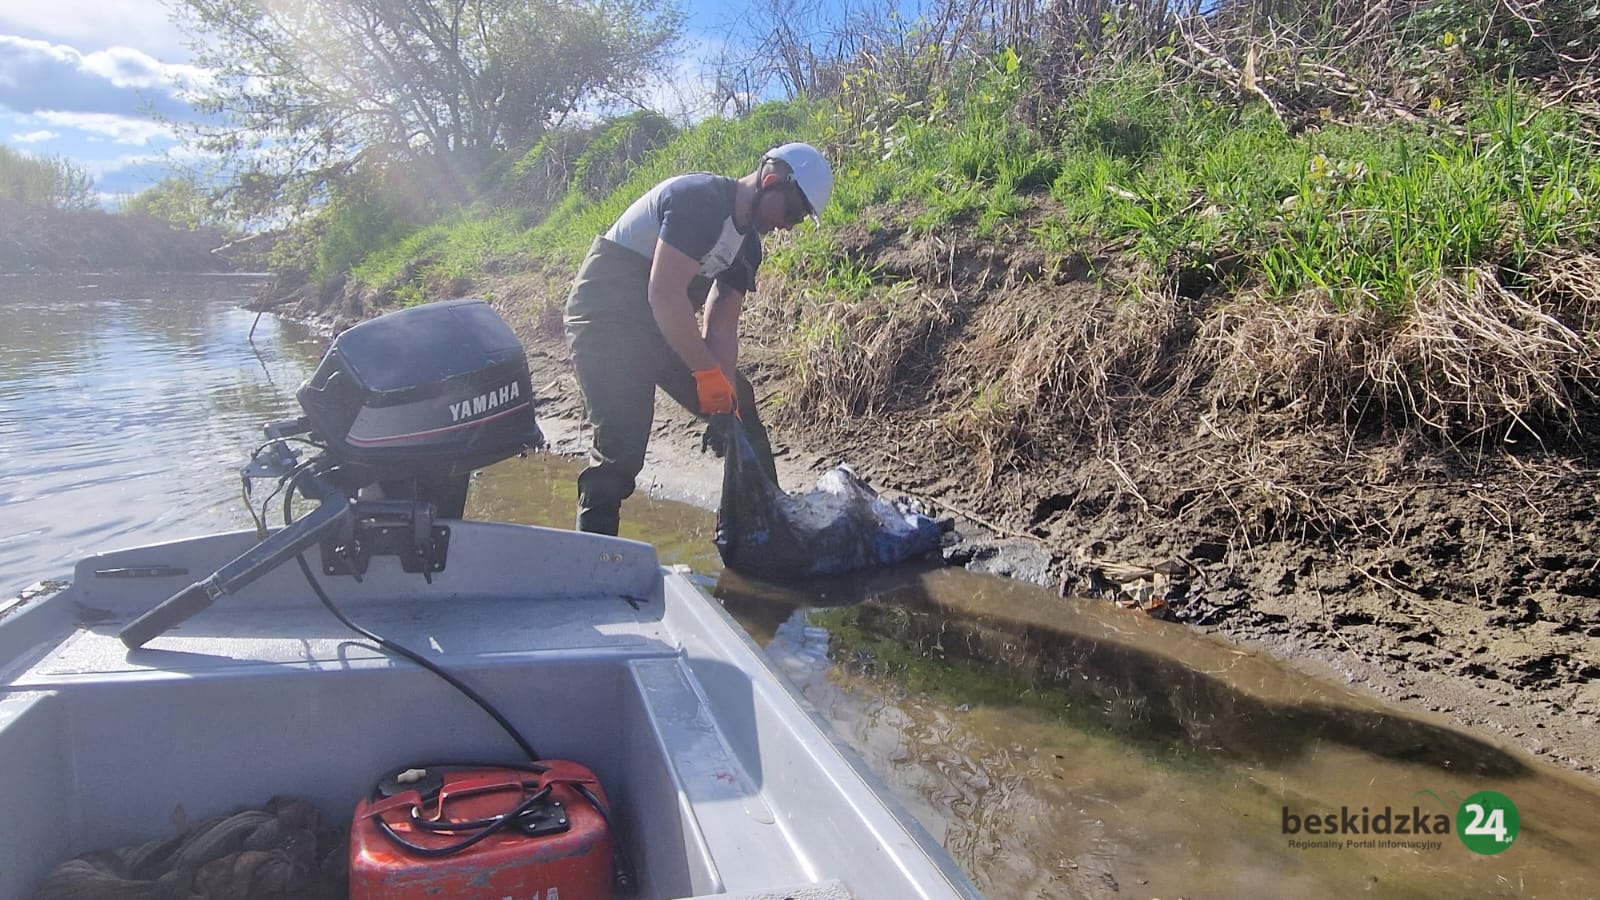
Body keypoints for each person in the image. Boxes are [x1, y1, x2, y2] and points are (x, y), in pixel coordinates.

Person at [563, 142, 834, 536]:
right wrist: (706, 373)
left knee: (740, 404)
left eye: (799, 220)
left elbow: (722, 321)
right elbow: (666, 293)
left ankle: (767, 524)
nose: (788, 226)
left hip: (660, 322)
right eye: (791, 212)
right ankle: (593, 558)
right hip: (606, 314)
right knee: (621, 448)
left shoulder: (748, 248)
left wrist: (722, 396)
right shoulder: (699, 200)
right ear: (771, 179)